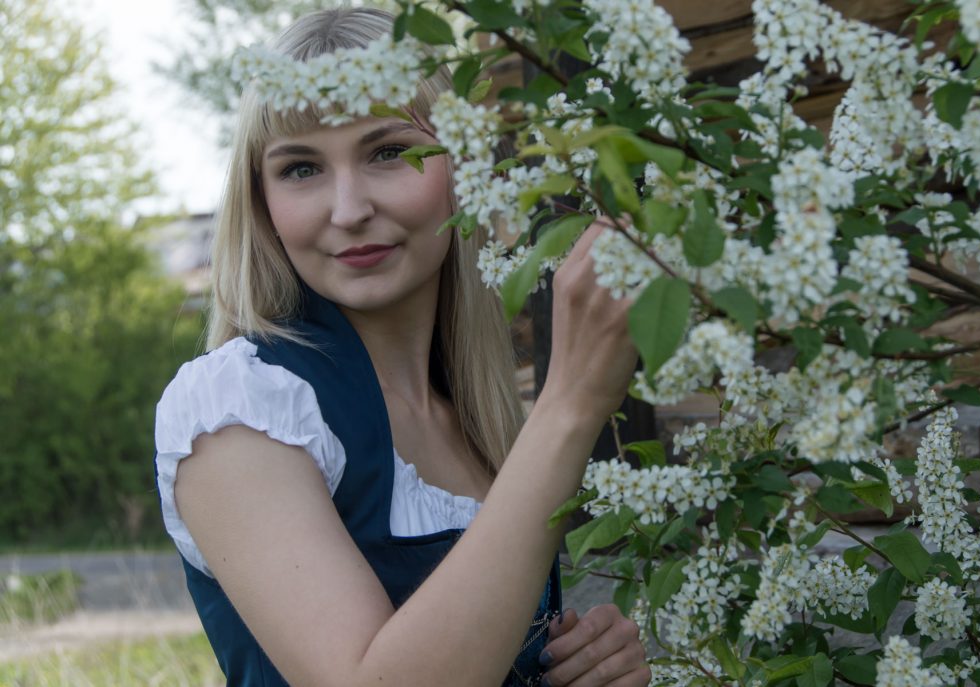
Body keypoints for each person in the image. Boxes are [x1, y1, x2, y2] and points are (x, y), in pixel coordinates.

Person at [154, 7, 648, 686]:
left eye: (388, 151)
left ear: (462, 171)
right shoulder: (242, 409)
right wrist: (573, 402)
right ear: (261, 200)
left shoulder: (477, 417)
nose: (349, 207)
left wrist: (584, 663)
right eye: (301, 168)